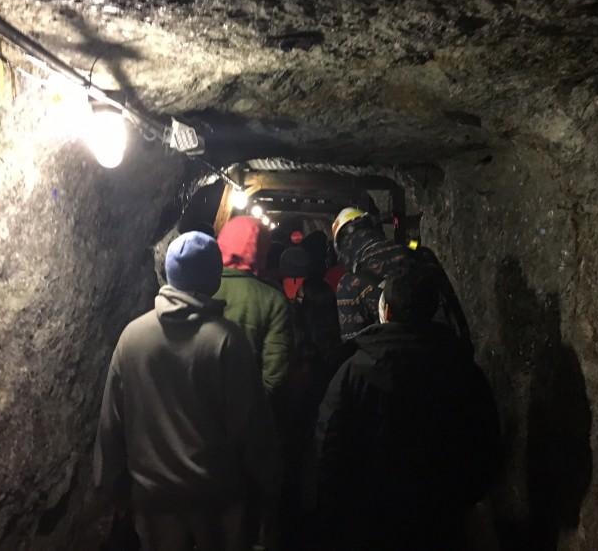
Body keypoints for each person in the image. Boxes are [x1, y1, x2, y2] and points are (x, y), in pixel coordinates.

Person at [93, 231, 279, 551]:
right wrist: (269, 480)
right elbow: (250, 425)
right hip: (216, 498)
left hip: (154, 499)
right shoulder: (226, 340)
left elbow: (112, 423)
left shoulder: (133, 336)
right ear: (214, 276)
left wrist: (109, 485)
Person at [314, 271, 501, 551]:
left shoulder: (355, 369)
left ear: (386, 310)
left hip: (371, 509)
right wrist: (468, 495)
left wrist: (332, 504)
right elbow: (484, 436)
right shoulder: (461, 367)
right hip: (441, 510)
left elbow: (330, 439)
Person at [331, 207, 470, 348]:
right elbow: (453, 311)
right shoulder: (421, 256)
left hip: (395, 363)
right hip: (444, 352)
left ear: (342, 246)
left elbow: (352, 344)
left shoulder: (349, 284)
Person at [215, 215, 292, 399]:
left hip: (196, 407)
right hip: (243, 405)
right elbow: (275, 373)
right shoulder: (273, 299)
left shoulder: (197, 286)